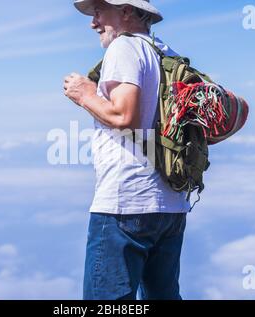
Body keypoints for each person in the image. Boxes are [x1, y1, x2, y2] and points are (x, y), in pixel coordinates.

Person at [63, 0, 190, 300]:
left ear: (126, 11)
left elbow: (124, 116)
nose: (93, 23)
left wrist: (85, 94)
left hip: (125, 204)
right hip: (170, 205)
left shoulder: (124, 48)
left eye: (98, 12)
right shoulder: (166, 53)